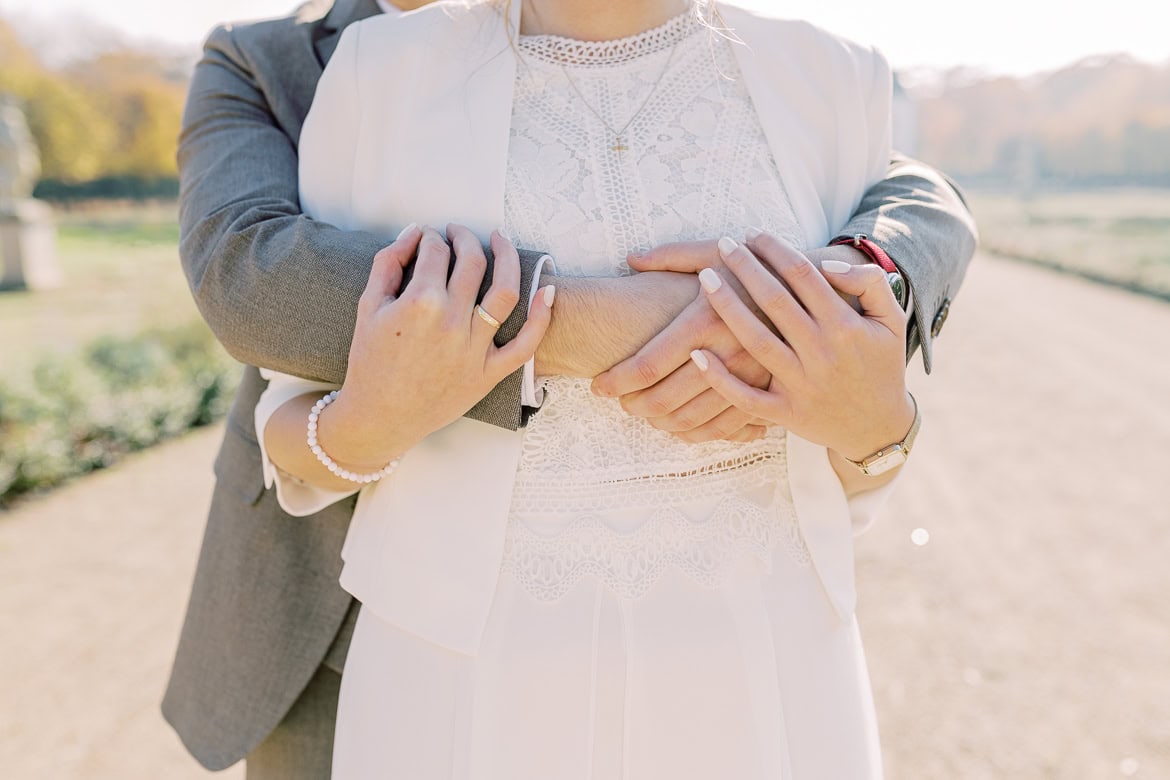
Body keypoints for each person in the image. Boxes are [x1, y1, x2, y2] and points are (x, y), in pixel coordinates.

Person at [162, 0, 976, 778]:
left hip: (762, 650)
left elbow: (911, 215)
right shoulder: (357, 70)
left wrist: (867, 394)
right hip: (442, 642)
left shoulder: (826, 73)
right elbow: (253, 287)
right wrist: (662, 319)